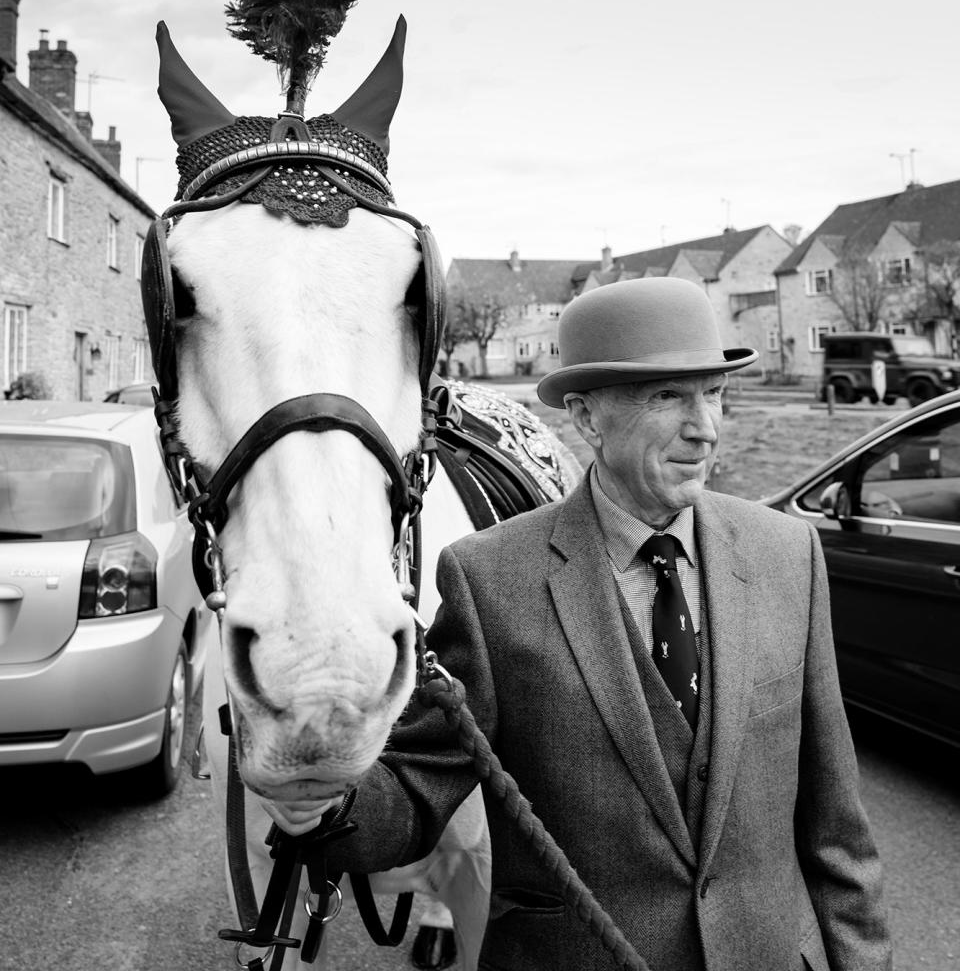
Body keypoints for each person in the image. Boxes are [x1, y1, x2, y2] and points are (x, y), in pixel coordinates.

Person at [335, 278, 893, 971]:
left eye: (713, 393)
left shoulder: (788, 554)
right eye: (668, 397)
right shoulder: (490, 580)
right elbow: (416, 790)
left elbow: (837, 824)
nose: (705, 427)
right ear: (588, 418)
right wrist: (318, 796)